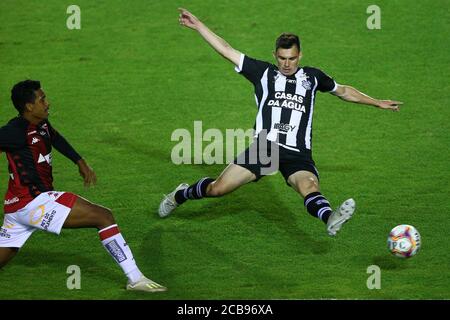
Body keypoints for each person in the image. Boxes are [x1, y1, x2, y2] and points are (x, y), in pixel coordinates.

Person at [159, 8, 403, 237]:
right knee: (218, 189)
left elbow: (344, 91)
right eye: (282, 58)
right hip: (265, 149)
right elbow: (226, 49)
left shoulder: (313, 77)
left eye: (292, 58)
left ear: (300, 56)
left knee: (309, 186)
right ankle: (180, 194)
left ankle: (330, 218)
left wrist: (376, 102)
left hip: (297, 153)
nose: (287, 64)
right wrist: (199, 25)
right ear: (275, 55)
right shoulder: (262, 73)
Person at [0, 80, 166, 292]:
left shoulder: (41, 124)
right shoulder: (13, 131)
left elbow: (56, 138)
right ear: (29, 106)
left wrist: (79, 161)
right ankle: (135, 278)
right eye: (42, 99)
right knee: (103, 216)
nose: (48, 103)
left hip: (16, 208)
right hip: (34, 202)